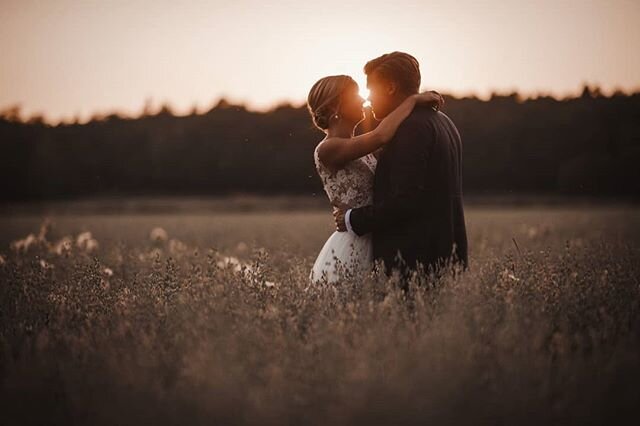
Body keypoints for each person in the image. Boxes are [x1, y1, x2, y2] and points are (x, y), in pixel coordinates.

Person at [332, 52, 468, 285]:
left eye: (371, 90)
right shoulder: (444, 121)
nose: (368, 99)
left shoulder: (410, 128)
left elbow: (406, 200)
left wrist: (353, 218)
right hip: (446, 257)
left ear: (391, 87)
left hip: (414, 262)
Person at [307, 73, 443, 283]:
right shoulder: (328, 148)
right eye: (355, 95)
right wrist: (412, 100)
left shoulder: (362, 147)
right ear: (335, 106)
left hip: (378, 234)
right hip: (354, 242)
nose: (364, 99)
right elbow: (382, 135)